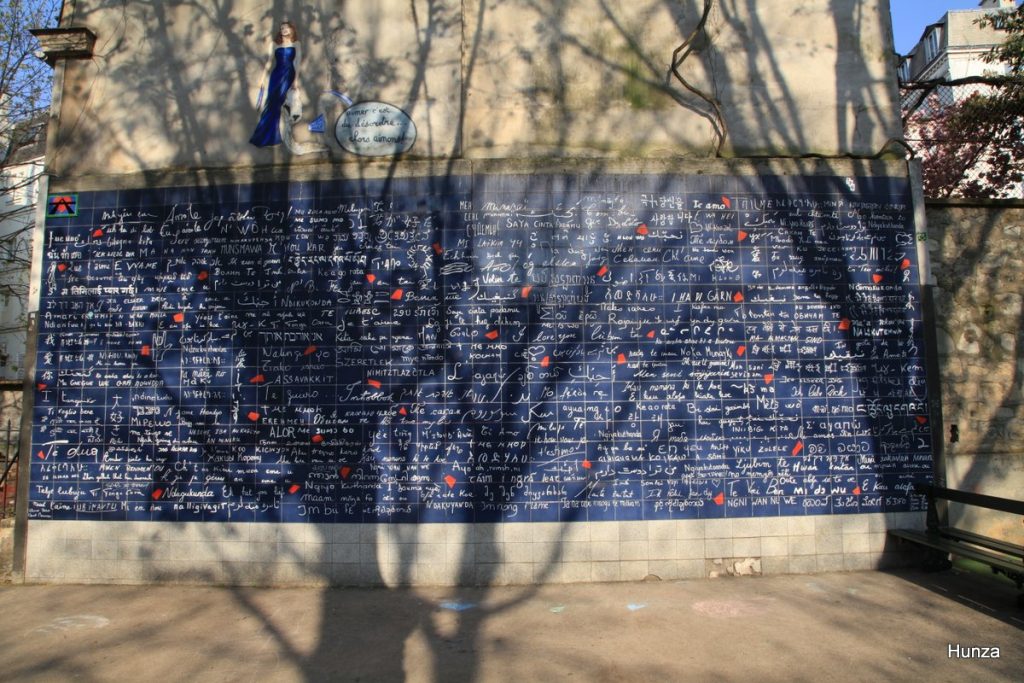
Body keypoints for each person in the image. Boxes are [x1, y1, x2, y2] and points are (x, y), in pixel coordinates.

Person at [249, 21, 305, 147]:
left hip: (288, 73)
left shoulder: (296, 44)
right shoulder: (274, 44)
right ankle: (264, 135)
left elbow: (297, 63)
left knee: (278, 102)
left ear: (291, 29)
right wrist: (262, 79)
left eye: (286, 28)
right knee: (271, 102)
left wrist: (295, 80)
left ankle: (272, 136)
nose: (283, 30)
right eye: (281, 28)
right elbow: (269, 62)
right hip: (276, 74)